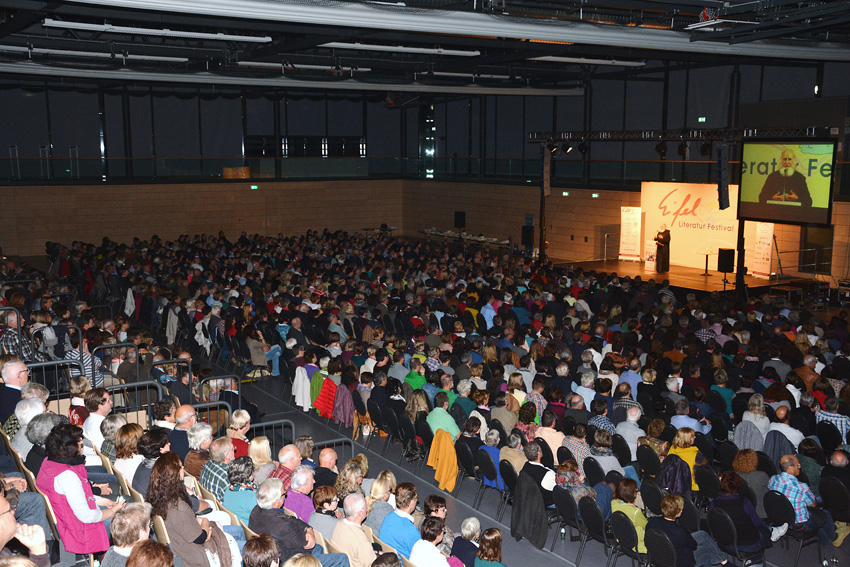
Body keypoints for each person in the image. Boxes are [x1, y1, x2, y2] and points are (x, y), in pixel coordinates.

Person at [35, 423, 125, 555]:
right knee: (130, 520)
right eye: (79, 441)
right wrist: (113, 511)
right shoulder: (67, 476)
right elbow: (87, 516)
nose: (82, 443)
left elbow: (69, 497)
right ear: (71, 447)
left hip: (66, 521)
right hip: (78, 531)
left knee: (123, 505)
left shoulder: (49, 462)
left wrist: (100, 500)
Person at [147, 453, 236, 567]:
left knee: (235, 530)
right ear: (175, 473)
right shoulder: (178, 506)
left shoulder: (157, 497)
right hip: (193, 557)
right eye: (180, 466)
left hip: (178, 546)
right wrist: (204, 522)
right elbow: (201, 538)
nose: (183, 468)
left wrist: (195, 520)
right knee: (238, 538)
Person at [248, 478, 349, 567]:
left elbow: (292, 518)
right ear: (275, 502)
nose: (286, 496)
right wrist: (306, 532)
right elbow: (305, 545)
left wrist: (308, 529)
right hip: (290, 560)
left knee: (318, 548)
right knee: (342, 558)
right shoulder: (282, 526)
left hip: (276, 550)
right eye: (284, 494)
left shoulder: (257, 510)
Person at [768, 454, 836, 547]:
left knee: (817, 515)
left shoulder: (773, 479)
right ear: (791, 467)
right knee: (825, 514)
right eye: (798, 465)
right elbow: (813, 504)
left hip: (780, 520)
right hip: (800, 525)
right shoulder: (801, 487)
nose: (800, 466)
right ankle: (831, 539)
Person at [711, 471, 786, 553]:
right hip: (748, 545)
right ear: (738, 486)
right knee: (761, 529)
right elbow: (757, 523)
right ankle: (756, 560)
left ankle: (772, 530)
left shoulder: (713, 503)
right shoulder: (744, 502)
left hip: (725, 543)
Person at [646, 495, 728, 567]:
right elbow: (693, 546)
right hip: (678, 563)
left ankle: (724, 561)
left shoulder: (652, 521)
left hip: (659, 559)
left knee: (702, 534)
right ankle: (724, 562)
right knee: (705, 550)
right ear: (678, 513)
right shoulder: (679, 531)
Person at [100, 502, 153, 567]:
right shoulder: (137, 563)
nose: (149, 529)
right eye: (149, 525)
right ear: (141, 533)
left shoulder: (110, 551)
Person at [330, 493, 376, 567]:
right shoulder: (360, 538)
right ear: (360, 513)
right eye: (365, 506)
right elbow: (372, 564)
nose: (367, 508)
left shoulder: (339, 524)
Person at [379, 482, 421, 559]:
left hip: (385, 560)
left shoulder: (388, 517)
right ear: (411, 502)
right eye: (416, 498)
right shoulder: (412, 531)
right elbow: (420, 558)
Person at [611, 479, 647, 554]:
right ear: (631, 493)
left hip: (621, 536)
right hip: (636, 543)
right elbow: (647, 526)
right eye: (635, 489)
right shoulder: (635, 512)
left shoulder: (613, 503)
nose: (637, 489)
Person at [667, 427, 706, 493]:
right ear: (688, 439)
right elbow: (704, 472)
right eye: (693, 436)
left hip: (674, 483)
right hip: (691, 487)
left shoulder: (672, 448)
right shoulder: (696, 455)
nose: (695, 437)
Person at [222, 455, 258, 526]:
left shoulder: (229, 488)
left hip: (233, 525)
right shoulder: (252, 498)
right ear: (250, 477)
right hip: (247, 530)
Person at [200, 437, 236, 501]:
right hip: (222, 509)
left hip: (210, 502)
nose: (235, 450)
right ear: (226, 456)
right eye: (233, 449)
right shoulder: (227, 477)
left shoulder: (208, 464)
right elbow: (233, 501)